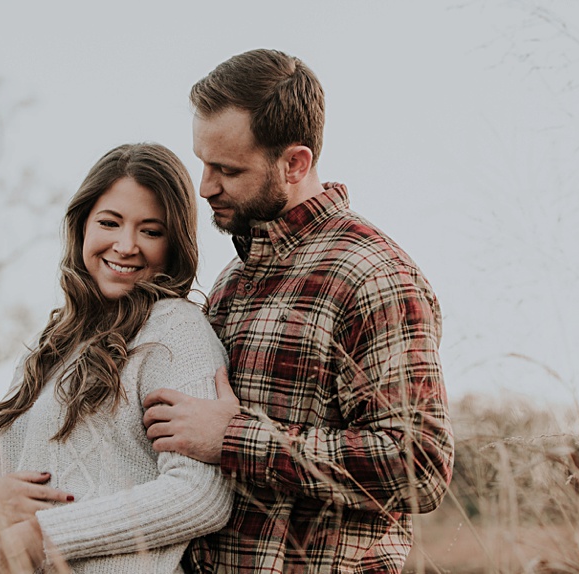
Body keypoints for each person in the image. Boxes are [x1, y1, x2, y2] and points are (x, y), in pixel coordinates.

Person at [142, 49, 455, 573]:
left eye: (227, 169)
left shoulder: (372, 276)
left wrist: (234, 438)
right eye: (202, 161)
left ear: (295, 163)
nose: (204, 186)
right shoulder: (231, 283)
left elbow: (418, 465)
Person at [0, 143, 233, 573]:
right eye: (110, 222)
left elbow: (201, 496)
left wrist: (46, 537)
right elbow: (24, 477)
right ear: (82, 225)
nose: (126, 245)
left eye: (150, 230)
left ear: (174, 241)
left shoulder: (175, 330)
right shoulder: (49, 344)